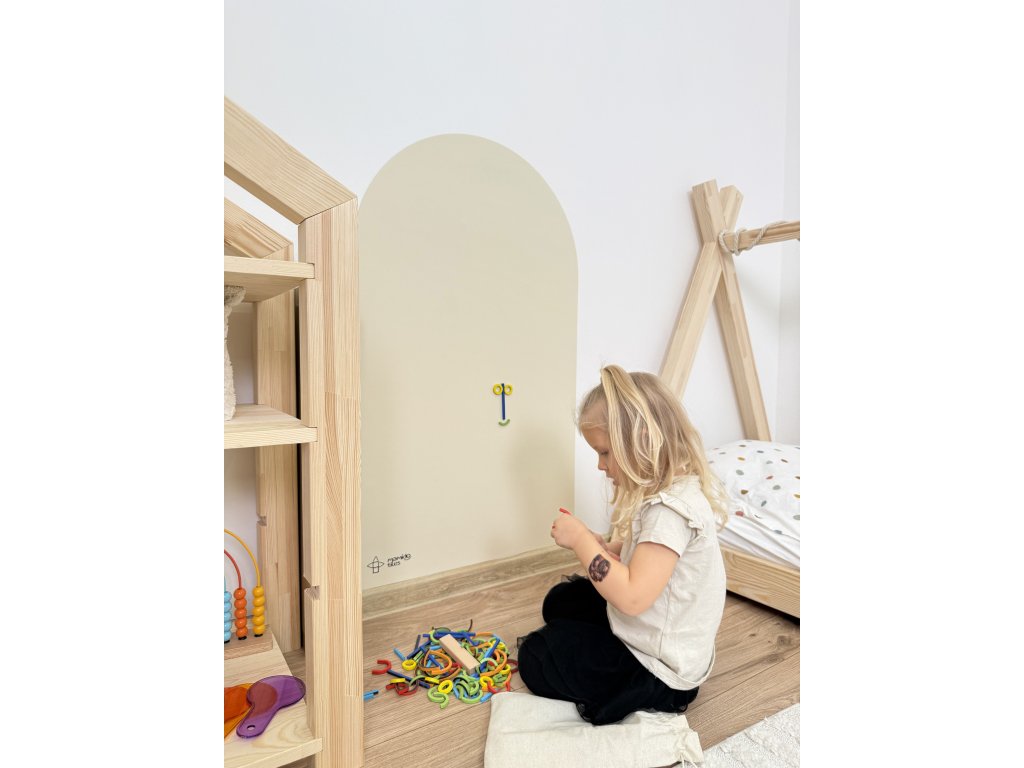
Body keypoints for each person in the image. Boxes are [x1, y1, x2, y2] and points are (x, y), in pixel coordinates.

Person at [517, 364, 729, 725]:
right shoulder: (670, 493)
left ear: (643, 440)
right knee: (560, 601)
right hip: (652, 629)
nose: (600, 466)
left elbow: (631, 598)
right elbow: (649, 559)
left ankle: (628, 687)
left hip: (660, 671)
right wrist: (608, 548)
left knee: (537, 656)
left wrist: (582, 542)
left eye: (604, 453)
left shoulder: (669, 512)